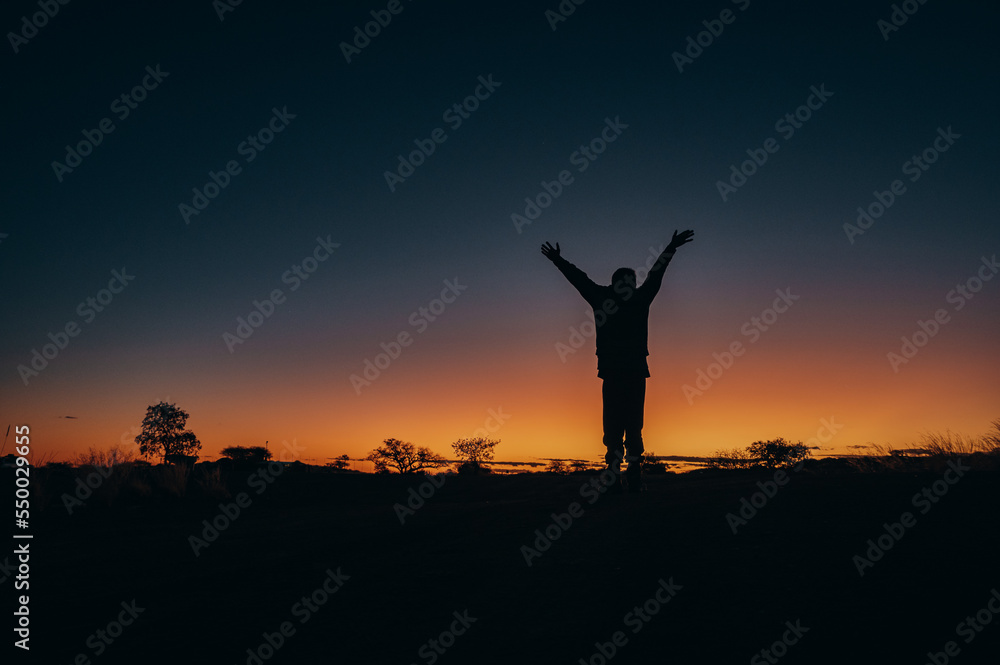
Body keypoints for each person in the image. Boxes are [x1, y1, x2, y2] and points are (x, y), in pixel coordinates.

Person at [541, 230, 695, 491]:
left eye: (631, 282)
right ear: (617, 283)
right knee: (619, 426)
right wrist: (558, 260)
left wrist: (671, 247)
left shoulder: (626, 298)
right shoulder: (618, 298)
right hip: (620, 372)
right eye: (627, 282)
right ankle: (618, 475)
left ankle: (629, 474)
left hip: (627, 372)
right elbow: (580, 279)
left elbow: (654, 274)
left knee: (629, 426)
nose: (630, 286)